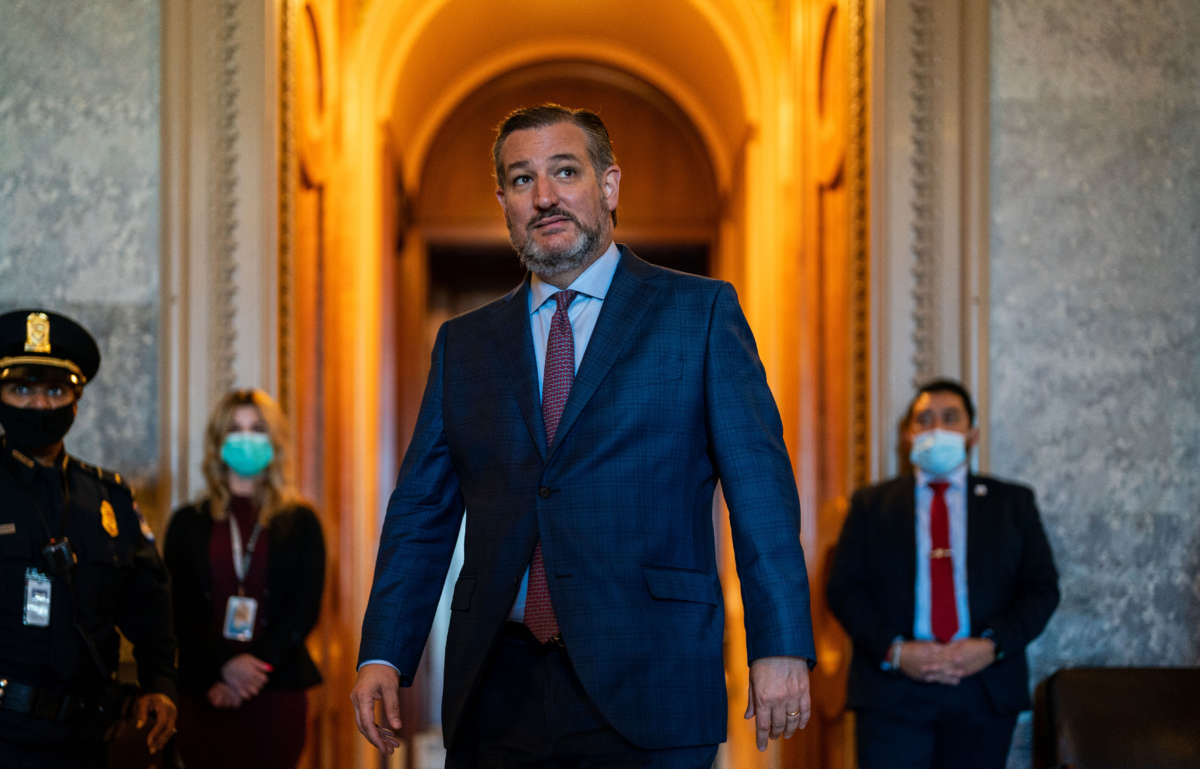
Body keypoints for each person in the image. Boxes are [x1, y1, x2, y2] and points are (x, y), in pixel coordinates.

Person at [351, 104, 816, 768]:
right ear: (505, 202)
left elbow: (760, 494)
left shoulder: (700, 313)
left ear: (609, 186)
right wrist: (384, 650)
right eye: (520, 179)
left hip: (652, 679)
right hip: (496, 688)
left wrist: (778, 643)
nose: (543, 196)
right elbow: (422, 510)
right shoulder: (465, 344)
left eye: (564, 171)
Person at [826, 378, 1060, 769]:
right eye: (924, 419)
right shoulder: (871, 505)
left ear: (972, 433)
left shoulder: (1012, 503)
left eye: (950, 418)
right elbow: (844, 590)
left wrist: (991, 646)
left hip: (984, 691)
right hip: (892, 696)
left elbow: (1041, 590)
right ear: (907, 434)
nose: (936, 429)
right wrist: (896, 651)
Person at [0, 308, 177, 768]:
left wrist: (160, 683)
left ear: (76, 401)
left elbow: (149, 603)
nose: (40, 405)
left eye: (55, 390)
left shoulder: (108, 498)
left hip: (86, 740)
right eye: (21, 389)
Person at [163, 389, 325, 769]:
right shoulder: (187, 522)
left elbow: (303, 610)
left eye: (258, 430)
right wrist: (221, 668)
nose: (247, 439)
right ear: (219, 442)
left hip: (276, 691)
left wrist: (254, 668)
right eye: (236, 429)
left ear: (274, 442)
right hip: (206, 691)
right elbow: (177, 608)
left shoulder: (301, 521)